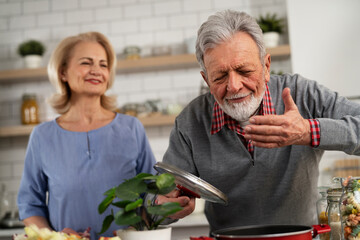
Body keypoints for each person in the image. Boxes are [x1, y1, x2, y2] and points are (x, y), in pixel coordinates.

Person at [157, 10, 360, 233]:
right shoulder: (190, 121)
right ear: (206, 78)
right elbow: (154, 204)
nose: (234, 86)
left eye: (244, 70)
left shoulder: (304, 95)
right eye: (220, 76)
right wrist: (162, 207)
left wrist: (308, 132)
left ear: (266, 66)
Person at [17, 32, 157, 240]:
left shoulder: (132, 128)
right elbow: (29, 205)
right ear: (62, 72)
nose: (96, 71)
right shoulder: (42, 136)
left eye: (103, 64)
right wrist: (56, 237)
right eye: (86, 63)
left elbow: (152, 196)